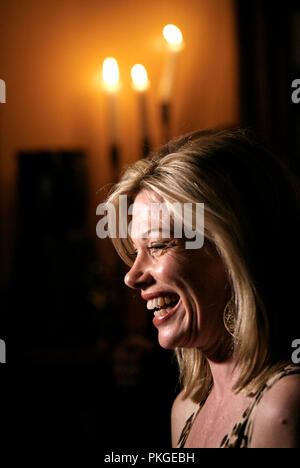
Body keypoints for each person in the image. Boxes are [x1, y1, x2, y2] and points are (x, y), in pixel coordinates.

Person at [104, 128, 300, 448]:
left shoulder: (283, 407)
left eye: (158, 245)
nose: (132, 276)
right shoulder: (185, 408)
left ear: (231, 250)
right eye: (135, 251)